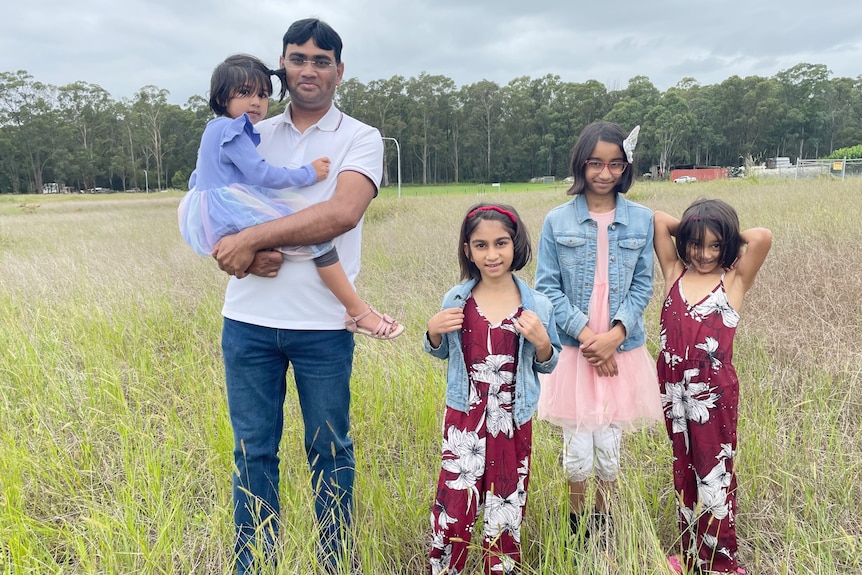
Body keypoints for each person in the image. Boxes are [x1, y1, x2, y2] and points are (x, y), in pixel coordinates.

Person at [208, 19, 386, 574]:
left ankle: (336, 564)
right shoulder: (253, 126)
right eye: (297, 58)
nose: (307, 69)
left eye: (320, 59)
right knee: (252, 454)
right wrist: (228, 249)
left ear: (339, 70)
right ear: (280, 66)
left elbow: (341, 212)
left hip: (324, 327)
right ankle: (253, 564)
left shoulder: (360, 137)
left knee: (330, 451)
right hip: (248, 323)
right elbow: (213, 196)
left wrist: (255, 238)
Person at [178, 53, 402, 340]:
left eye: (262, 94)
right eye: (245, 93)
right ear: (221, 97)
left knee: (275, 239)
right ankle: (358, 310)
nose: (256, 102)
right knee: (315, 238)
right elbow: (262, 174)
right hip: (229, 217)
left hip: (208, 208)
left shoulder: (212, 129)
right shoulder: (236, 129)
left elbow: (197, 176)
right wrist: (308, 173)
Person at [534, 121, 663, 546]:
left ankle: (602, 526)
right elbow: (547, 287)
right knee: (577, 448)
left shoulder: (642, 219)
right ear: (581, 164)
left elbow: (644, 283)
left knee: (609, 444)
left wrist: (616, 335)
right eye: (595, 163)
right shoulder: (557, 220)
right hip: (576, 348)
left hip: (622, 347)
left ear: (626, 167)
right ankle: (574, 527)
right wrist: (592, 338)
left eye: (614, 164)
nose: (604, 173)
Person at [425, 203, 561, 575]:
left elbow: (547, 362)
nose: (492, 254)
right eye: (480, 245)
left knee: (505, 505)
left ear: (516, 244)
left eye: (501, 243)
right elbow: (441, 353)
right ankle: (444, 568)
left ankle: (500, 568)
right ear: (467, 250)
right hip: (464, 419)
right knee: (455, 504)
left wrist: (543, 341)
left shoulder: (538, 305)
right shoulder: (456, 299)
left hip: (512, 421)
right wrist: (433, 331)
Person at [654, 199, 771, 575]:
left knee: (714, 472)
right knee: (684, 469)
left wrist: (726, 235)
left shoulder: (733, 281)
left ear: (728, 247)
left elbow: (762, 237)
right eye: (696, 243)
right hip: (672, 389)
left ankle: (721, 563)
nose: (704, 255)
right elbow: (658, 221)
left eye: (715, 246)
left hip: (713, 391)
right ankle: (691, 556)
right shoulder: (674, 271)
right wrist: (694, 226)